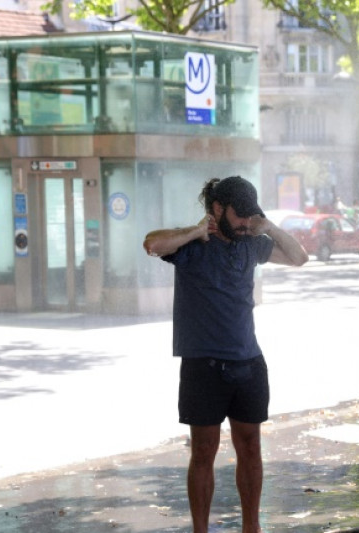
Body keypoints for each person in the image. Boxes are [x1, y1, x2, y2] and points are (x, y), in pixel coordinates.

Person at [143, 176, 309, 533]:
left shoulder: (251, 243)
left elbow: (299, 257)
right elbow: (153, 243)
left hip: (248, 362)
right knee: (203, 452)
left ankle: (253, 528)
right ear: (217, 209)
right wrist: (195, 231)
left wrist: (269, 227)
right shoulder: (191, 246)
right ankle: (200, 530)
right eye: (240, 215)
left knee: (250, 446)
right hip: (203, 364)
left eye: (251, 215)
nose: (246, 222)